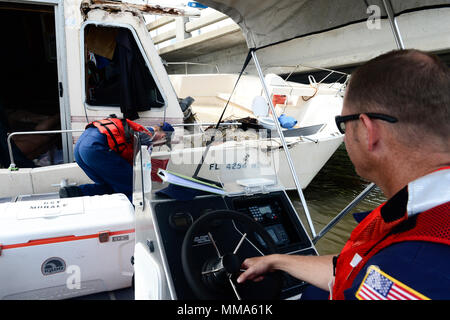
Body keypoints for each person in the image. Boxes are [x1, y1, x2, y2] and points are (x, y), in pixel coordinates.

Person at [237, 49, 450, 300]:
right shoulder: (419, 215)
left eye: (344, 124)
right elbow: (352, 267)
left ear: (368, 131)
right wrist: (277, 261)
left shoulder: (411, 268)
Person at [59, 116, 173, 202]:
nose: (160, 145)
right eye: (163, 143)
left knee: (109, 185)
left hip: (81, 145)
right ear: (163, 136)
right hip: (95, 148)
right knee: (133, 185)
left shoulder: (139, 129)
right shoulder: (148, 136)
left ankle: (74, 192)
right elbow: (138, 165)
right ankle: (137, 218)